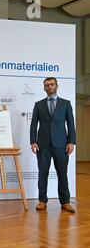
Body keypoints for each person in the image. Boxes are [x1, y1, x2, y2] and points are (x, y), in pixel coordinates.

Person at [30, 77, 76, 213]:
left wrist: (71, 142)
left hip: (61, 145)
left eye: (51, 84)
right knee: (42, 173)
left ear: (57, 86)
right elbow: (33, 125)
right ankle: (42, 200)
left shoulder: (66, 104)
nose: (49, 87)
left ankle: (65, 201)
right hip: (42, 145)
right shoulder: (38, 105)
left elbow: (70, 124)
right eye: (47, 85)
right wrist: (33, 141)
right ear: (44, 88)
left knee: (62, 174)